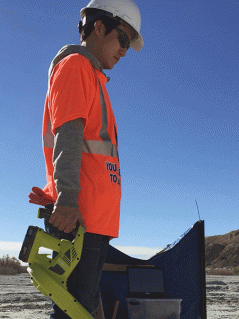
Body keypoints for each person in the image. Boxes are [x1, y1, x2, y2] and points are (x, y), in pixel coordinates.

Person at [28, 0, 144, 318]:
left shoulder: (93, 77)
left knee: (83, 306)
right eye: (123, 39)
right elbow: (68, 136)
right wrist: (66, 200)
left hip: (93, 217)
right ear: (99, 27)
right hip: (79, 216)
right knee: (72, 310)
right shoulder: (76, 66)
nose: (124, 51)